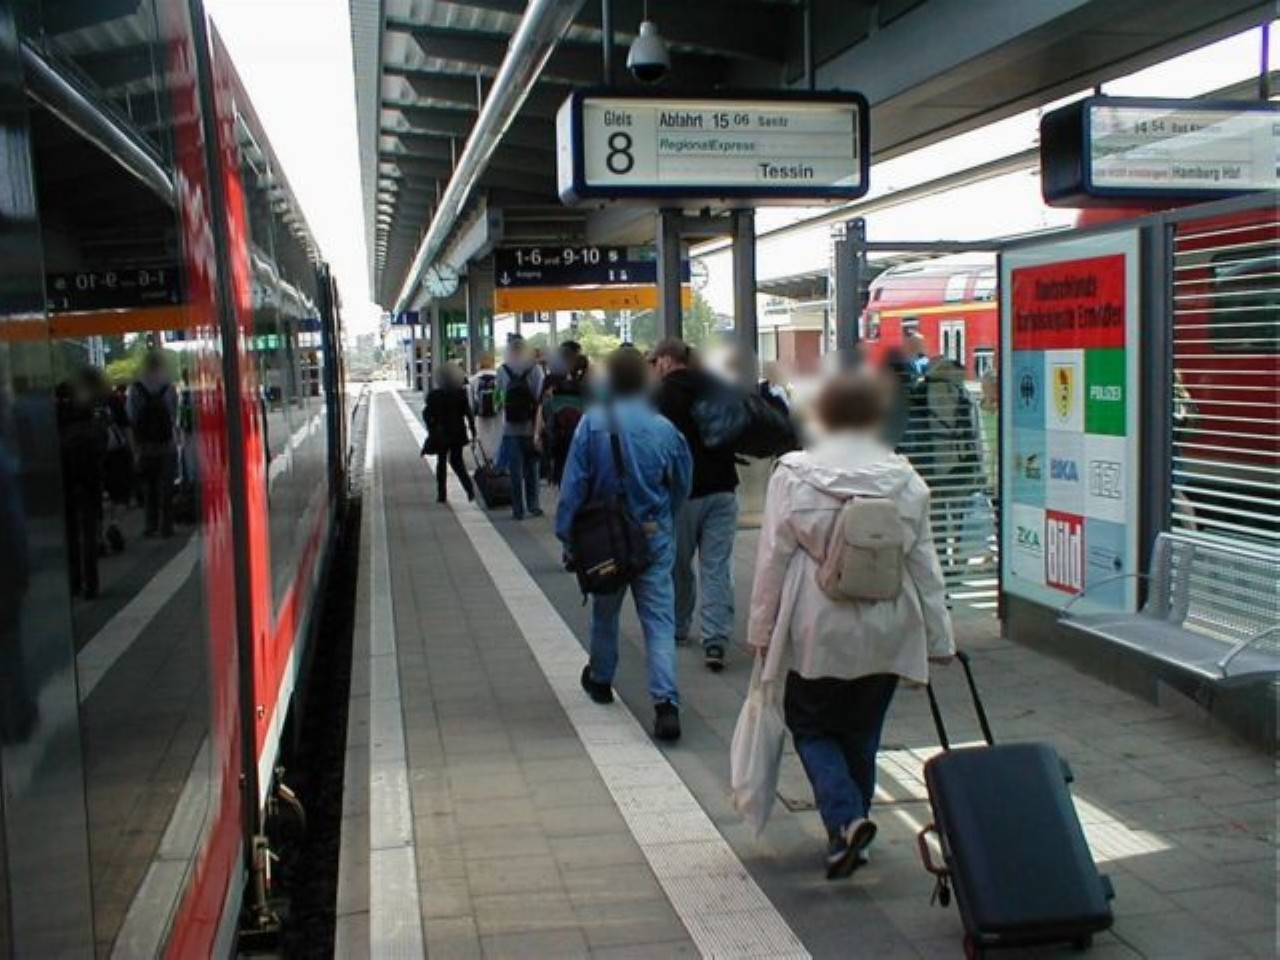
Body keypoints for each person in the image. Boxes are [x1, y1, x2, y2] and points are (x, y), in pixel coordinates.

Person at [747, 371, 954, 879]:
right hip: (889, 627)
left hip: (817, 628)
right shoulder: (905, 479)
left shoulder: (794, 475)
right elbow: (925, 564)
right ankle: (851, 836)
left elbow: (773, 559)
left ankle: (845, 821)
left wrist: (761, 630)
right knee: (862, 732)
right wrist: (939, 638)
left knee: (811, 725)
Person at [557, 348, 692, 741]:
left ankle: (601, 678)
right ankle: (665, 704)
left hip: (606, 536)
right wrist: (663, 517)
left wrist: (567, 535)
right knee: (659, 621)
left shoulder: (591, 424)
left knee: (605, 611)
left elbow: (573, 486)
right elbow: (681, 484)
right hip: (653, 535)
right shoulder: (665, 429)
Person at [652, 337, 739, 672]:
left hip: (683, 493)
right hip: (724, 488)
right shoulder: (717, 386)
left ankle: (678, 626)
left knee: (678, 564)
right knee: (716, 567)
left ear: (665, 360)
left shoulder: (662, 395)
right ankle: (715, 639)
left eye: (655, 362)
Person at [57, 371, 107, 599]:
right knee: (88, 531)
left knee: (70, 533)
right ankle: (91, 584)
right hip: (90, 479)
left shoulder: (58, 418)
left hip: (66, 479)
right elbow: (102, 445)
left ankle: (74, 582)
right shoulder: (90, 415)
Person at [128, 352, 178, 537]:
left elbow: (131, 416)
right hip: (167, 445)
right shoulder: (169, 387)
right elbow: (173, 414)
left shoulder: (136, 389)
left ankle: (151, 525)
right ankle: (167, 526)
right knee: (166, 487)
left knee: (149, 488)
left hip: (145, 447)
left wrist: (136, 446)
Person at [496, 336, 545, 520]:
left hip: (510, 427)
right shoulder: (535, 369)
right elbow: (540, 397)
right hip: (532, 426)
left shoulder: (502, 370)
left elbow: (500, 396)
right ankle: (534, 506)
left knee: (515, 471)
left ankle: (518, 509)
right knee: (532, 468)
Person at [536, 341, 590, 486]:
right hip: (580, 436)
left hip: (558, 436)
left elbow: (542, 407)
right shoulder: (586, 387)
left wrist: (537, 434)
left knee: (561, 471)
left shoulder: (551, 381)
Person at [423, 362, 476, 504]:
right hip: (458, 433)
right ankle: (469, 488)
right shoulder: (460, 394)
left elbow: (427, 414)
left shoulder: (434, 396)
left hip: (441, 434)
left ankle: (442, 494)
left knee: (441, 462)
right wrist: (473, 431)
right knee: (457, 461)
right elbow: (469, 414)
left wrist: (431, 428)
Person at [468, 352, 503, 465]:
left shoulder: (473, 380)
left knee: (482, 439)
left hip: (481, 418)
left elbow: (470, 403)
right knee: (497, 439)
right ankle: (496, 465)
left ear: (479, 364)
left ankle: (483, 464)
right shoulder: (500, 377)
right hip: (498, 417)